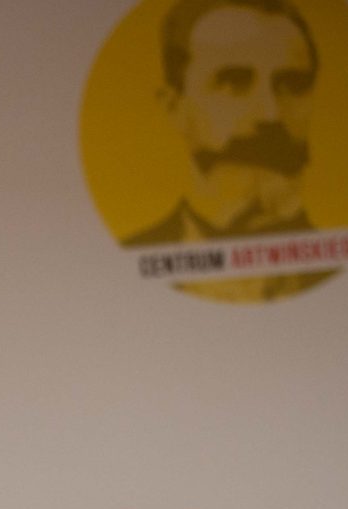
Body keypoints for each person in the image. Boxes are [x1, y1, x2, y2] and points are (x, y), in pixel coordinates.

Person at [121, 0, 327, 302]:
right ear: (174, 107)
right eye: (233, 81)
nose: (270, 113)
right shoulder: (122, 265)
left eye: (292, 84)